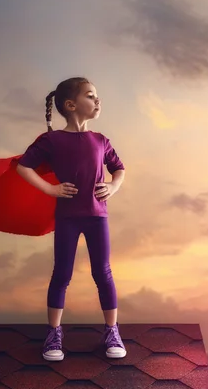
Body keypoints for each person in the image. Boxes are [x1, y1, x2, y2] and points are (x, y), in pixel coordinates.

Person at [16, 77, 127, 362]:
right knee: (61, 274)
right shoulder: (51, 140)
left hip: (97, 217)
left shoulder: (101, 140)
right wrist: (51, 189)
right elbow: (23, 167)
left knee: (103, 273)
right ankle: (54, 334)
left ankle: (112, 330)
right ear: (71, 105)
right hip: (67, 218)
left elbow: (119, 169)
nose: (98, 100)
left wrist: (113, 187)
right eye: (91, 96)